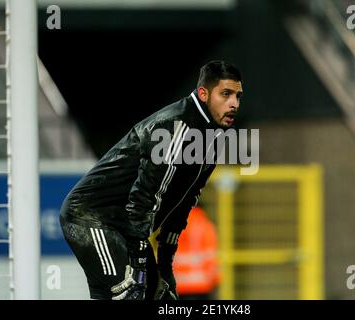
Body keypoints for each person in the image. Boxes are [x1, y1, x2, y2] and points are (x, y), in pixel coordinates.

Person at [59, 60, 243, 300]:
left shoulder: (213, 138)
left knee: (161, 297)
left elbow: (184, 204)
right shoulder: (174, 126)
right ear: (203, 94)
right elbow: (145, 195)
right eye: (226, 94)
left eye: (238, 96)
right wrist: (139, 259)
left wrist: (165, 265)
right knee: (127, 293)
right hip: (91, 217)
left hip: (123, 226)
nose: (234, 104)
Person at [173, 205, 220, 300]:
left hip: (178, 284)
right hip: (202, 284)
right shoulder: (206, 225)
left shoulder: (173, 224)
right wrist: (216, 280)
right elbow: (210, 256)